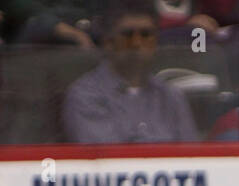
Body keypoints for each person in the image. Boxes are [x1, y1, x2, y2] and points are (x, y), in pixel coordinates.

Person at [62, 0, 199, 143]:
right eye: (128, 34)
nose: (137, 43)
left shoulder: (172, 96)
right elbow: (106, 159)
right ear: (108, 42)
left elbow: (191, 155)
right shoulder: (85, 95)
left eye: (145, 34)